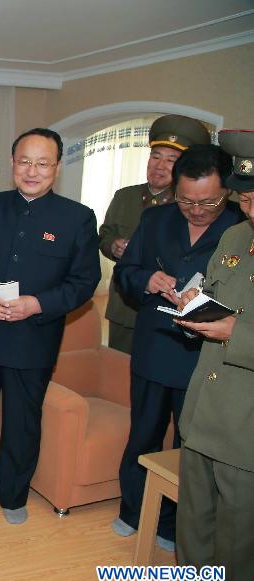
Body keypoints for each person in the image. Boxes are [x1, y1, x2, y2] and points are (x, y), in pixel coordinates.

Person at [0, 128, 100, 524]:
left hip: (33, 340)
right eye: (24, 162)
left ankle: (13, 496)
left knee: (22, 422)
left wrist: (38, 304)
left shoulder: (77, 218)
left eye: (42, 163)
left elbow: (84, 281)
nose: (32, 171)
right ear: (13, 163)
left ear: (56, 167)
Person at [111, 144, 241, 552]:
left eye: (208, 201)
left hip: (205, 360)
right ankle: (133, 511)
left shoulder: (241, 229)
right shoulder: (155, 219)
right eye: (186, 200)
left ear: (229, 192)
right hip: (154, 347)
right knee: (143, 435)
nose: (197, 210)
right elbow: (125, 273)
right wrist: (147, 279)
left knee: (192, 448)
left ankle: (177, 525)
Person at [175, 129, 254, 581]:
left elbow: (235, 325)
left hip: (245, 434)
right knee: (195, 538)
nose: (251, 211)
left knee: (236, 551)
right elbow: (223, 301)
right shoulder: (235, 234)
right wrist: (196, 306)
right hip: (202, 415)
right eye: (245, 200)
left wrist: (235, 333)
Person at [99, 115, 211, 353]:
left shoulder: (192, 207)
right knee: (117, 372)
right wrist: (113, 245)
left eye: (171, 160)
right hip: (124, 307)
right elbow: (105, 234)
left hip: (167, 310)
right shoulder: (124, 196)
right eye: (155, 156)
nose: (159, 166)